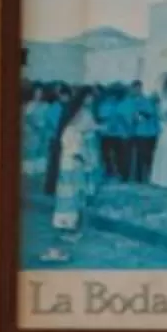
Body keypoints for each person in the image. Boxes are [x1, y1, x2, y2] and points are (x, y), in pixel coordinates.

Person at [46, 89, 99, 256]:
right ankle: (67, 229)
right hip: (71, 166)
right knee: (69, 198)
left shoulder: (75, 131)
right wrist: (84, 159)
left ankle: (71, 228)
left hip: (74, 166)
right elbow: (75, 152)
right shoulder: (70, 131)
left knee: (75, 197)